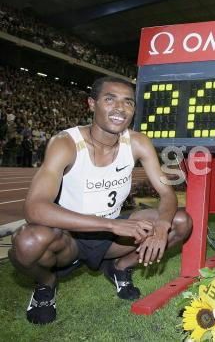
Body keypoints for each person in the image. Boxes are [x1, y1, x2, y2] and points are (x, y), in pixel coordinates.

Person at [8, 76, 193, 324]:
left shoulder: (138, 142)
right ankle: (47, 285)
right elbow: (34, 208)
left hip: (113, 237)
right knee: (27, 242)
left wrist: (161, 226)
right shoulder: (65, 143)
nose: (120, 108)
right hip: (70, 237)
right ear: (91, 104)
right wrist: (110, 225)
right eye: (110, 99)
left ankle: (119, 267)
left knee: (180, 221)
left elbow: (167, 193)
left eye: (128, 102)